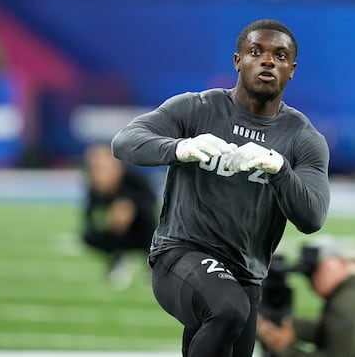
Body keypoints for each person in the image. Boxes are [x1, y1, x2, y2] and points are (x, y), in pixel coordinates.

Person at [111, 18, 331, 357]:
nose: (267, 61)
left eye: (280, 56)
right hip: (180, 254)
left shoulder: (302, 138)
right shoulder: (197, 108)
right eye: (256, 52)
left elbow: (313, 217)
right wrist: (180, 148)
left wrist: (280, 170)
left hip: (247, 275)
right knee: (227, 309)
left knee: (227, 325)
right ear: (237, 61)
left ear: (292, 70)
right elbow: (125, 141)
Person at [81, 143, 157, 289]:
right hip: (117, 232)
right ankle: (118, 257)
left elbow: (151, 206)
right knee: (88, 236)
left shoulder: (135, 179)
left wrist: (130, 207)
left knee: (151, 231)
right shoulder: (96, 186)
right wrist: (108, 217)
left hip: (142, 231)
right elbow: (89, 217)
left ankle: (152, 261)